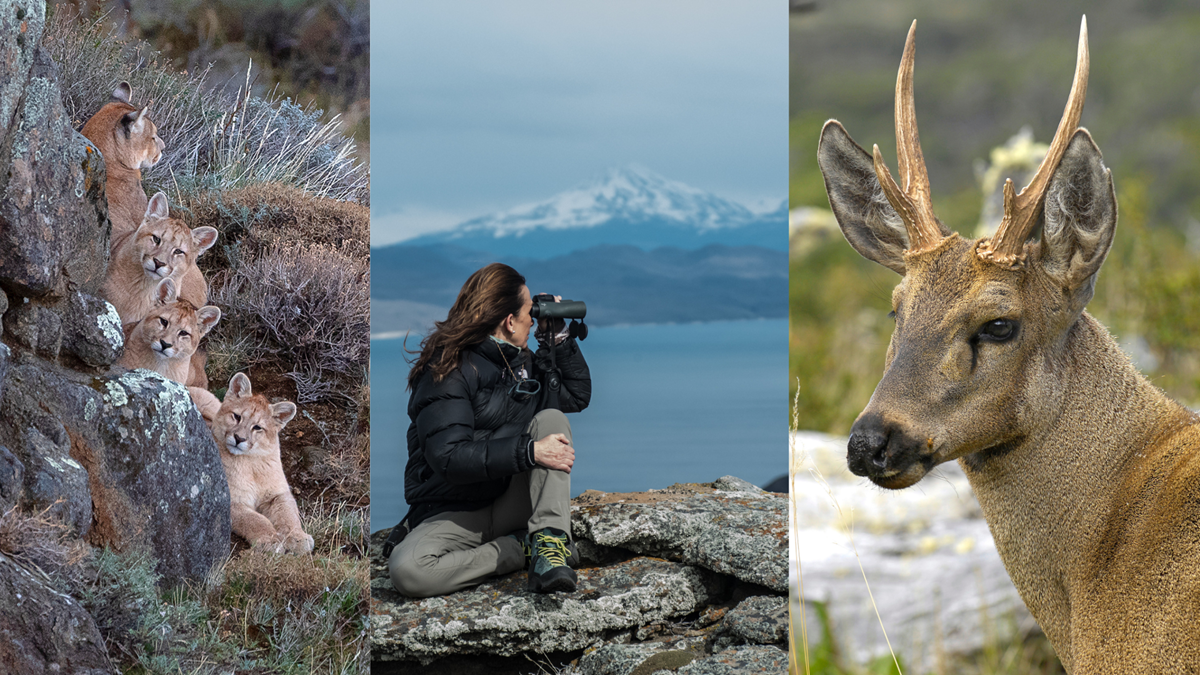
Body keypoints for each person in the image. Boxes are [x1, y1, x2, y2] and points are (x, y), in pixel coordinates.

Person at [388, 262, 591, 597]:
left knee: (552, 418)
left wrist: (557, 339)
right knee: (409, 571)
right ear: (509, 322)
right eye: (530, 312)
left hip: (511, 500)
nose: (532, 319)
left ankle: (550, 546)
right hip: (457, 511)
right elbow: (448, 456)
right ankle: (519, 551)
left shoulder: (522, 363)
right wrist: (529, 452)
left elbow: (574, 395)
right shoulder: (445, 370)